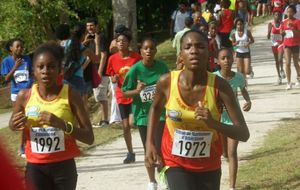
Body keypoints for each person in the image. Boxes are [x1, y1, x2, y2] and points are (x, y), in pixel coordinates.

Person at [145, 30, 250, 190]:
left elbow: (243, 133)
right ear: (181, 55)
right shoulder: (167, 82)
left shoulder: (220, 87)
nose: (194, 51)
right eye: (188, 47)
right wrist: (150, 143)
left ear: (208, 53)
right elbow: (155, 107)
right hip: (175, 161)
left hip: (209, 164)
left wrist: (213, 123)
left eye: (200, 46)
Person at [9, 42, 94, 190]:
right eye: (40, 67)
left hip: (64, 167)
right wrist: (14, 124)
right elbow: (12, 124)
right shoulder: (24, 96)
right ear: (33, 71)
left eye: (51, 66)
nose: (45, 71)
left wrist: (62, 125)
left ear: (60, 70)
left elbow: (89, 137)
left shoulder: (70, 95)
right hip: (35, 168)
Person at [122, 37, 169, 190]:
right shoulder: (135, 70)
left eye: (152, 48)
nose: (149, 51)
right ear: (141, 51)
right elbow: (124, 93)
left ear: (155, 51)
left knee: (160, 147)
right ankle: (151, 181)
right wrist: (137, 91)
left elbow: (171, 86)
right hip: (143, 115)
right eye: (145, 48)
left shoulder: (162, 67)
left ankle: (163, 178)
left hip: (160, 114)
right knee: (148, 148)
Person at [214, 48, 251, 190]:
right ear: (218, 60)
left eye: (229, 57)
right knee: (223, 153)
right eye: (223, 58)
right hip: (218, 120)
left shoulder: (239, 77)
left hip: (233, 120)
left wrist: (248, 101)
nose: (226, 61)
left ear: (233, 58)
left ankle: (232, 187)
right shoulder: (213, 77)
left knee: (232, 153)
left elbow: (243, 89)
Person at [106, 28, 142, 164]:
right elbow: (112, 76)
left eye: (124, 41)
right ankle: (130, 153)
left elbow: (141, 73)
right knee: (125, 126)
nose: (121, 43)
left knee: (133, 123)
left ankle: (149, 146)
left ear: (129, 43)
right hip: (121, 95)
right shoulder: (112, 59)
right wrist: (114, 78)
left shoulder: (136, 58)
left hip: (134, 95)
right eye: (118, 41)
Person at [1, 38, 34, 158]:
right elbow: (6, 79)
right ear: (11, 48)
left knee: (30, 119)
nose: (20, 48)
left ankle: (29, 145)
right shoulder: (6, 61)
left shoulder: (27, 59)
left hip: (28, 91)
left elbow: (31, 73)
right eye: (17, 46)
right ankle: (22, 147)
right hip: (16, 94)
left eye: (21, 46)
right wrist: (15, 66)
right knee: (21, 120)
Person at [84, 18, 110, 127]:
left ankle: (105, 120)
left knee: (101, 95)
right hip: (90, 71)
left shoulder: (101, 37)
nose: (90, 27)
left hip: (101, 71)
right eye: (88, 26)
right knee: (97, 96)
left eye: (92, 25)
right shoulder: (88, 39)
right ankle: (102, 120)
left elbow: (104, 55)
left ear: (97, 26)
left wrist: (99, 72)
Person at [62, 23, 100, 97]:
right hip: (77, 80)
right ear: (83, 35)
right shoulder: (84, 49)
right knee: (77, 105)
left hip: (64, 78)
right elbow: (97, 59)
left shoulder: (64, 43)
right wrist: (97, 43)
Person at [280, 5, 300, 90]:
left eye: (291, 11)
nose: (289, 13)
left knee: (295, 63)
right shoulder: (284, 22)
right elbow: (281, 32)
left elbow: (299, 34)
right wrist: (283, 32)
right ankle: (288, 83)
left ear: (294, 13)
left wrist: (292, 28)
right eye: (288, 12)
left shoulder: (297, 21)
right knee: (287, 63)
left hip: (295, 44)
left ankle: (299, 77)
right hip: (287, 44)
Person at [267, 11, 286, 85]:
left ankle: (282, 70)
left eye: (278, 15)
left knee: (280, 58)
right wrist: (269, 32)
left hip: (281, 43)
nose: (277, 16)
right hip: (273, 44)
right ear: (273, 16)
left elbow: (285, 33)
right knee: (276, 61)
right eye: (276, 15)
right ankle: (279, 76)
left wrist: (283, 33)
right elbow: (268, 36)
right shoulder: (270, 24)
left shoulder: (282, 24)